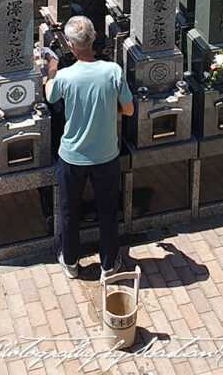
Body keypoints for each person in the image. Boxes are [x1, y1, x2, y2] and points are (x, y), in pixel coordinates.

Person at [45, 16, 134, 281]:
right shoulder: (112, 71)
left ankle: (71, 260)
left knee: (70, 211)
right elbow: (128, 110)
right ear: (94, 37)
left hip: (72, 155)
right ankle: (109, 264)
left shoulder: (65, 76)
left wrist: (51, 65)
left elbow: (50, 94)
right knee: (107, 210)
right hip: (106, 155)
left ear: (70, 46)